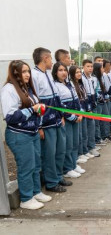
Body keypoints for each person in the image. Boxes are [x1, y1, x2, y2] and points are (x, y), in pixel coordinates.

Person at [1, 60, 52, 210]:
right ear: (15, 73)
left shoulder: (26, 89)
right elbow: (10, 117)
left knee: (36, 164)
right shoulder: (9, 90)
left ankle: (35, 192)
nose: (27, 75)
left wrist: (39, 110)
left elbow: (34, 109)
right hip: (19, 135)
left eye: (28, 71)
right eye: (23, 72)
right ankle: (26, 198)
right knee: (26, 166)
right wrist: (32, 110)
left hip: (32, 132)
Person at [31, 47, 67, 193]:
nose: (52, 61)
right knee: (49, 154)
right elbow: (37, 102)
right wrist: (39, 126)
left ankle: (58, 176)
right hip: (46, 123)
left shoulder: (47, 75)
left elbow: (55, 98)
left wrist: (61, 115)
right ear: (45, 58)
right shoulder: (35, 75)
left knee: (59, 151)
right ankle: (51, 182)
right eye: (51, 58)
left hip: (56, 120)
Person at [52, 63, 83, 179]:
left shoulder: (69, 84)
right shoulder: (55, 86)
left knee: (75, 143)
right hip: (68, 119)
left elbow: (77, 100)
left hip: (76, 117)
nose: (63, 72)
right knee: (68, 145)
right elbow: (60, 105)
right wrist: (73, 117)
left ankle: (73, 164)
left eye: (65, 70)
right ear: (55, 72)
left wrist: (80, 113)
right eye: (60, 70)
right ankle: (67, 168)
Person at [82, 59, 101, 157]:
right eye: (87, 66)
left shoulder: (91, 78)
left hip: (91, 105)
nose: (90, 68)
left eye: (91, 66)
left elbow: (93, 92)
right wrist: (87, 107)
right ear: (83, 67)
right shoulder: (82, 78)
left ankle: (90, 147)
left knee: (91, 127)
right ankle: (86, 149)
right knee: (86, 129)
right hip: (85, 107)